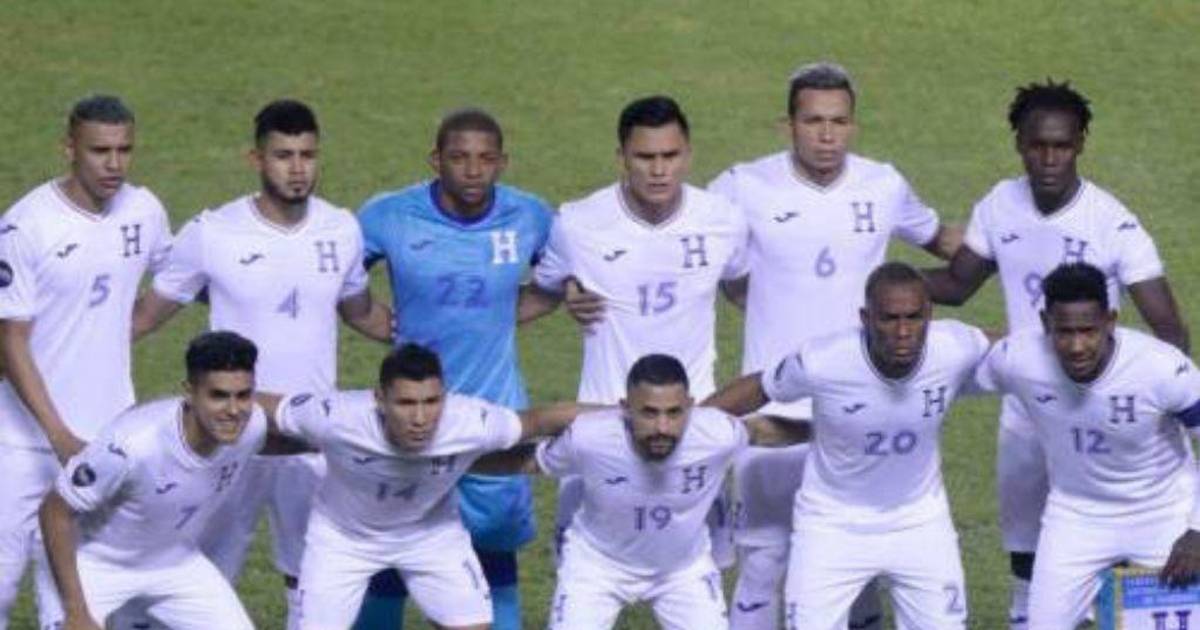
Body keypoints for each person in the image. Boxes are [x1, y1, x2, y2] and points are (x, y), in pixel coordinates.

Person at [923, 79, 1190, 628]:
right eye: (1037, 145)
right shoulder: (1000, 204)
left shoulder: (1111, 222)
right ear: (1019, 144)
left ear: (1081, 143)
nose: (1049, 159)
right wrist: (874, 279)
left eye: (1062, 145)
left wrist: (1149, 400)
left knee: (1118, 542)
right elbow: (956, 285)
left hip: (1099, 403)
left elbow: (1169, 330)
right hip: (1029, 400)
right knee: (1027, 548)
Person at [707, 61, 960, 629]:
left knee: (861, 563)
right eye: (813, 121)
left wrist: (1021, 251)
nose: (827, 135)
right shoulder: (743, 186)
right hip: (772, 406)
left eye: (839, 122)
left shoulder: (884, 184)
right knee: (765, 559)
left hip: (858, 409)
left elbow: (944, 241)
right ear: (788, 125)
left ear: (853, 125)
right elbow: (688, 239)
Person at [132, 99, 391, 629]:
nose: (297, 169)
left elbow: (362, 313)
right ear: (256, 159)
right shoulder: (212, 232)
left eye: (307, 155)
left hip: (309, 436)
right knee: (200, 571)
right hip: (231, 431)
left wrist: (447, 326)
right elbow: (144, 316)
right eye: (283, 156)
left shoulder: (341, 229)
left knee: (312, 575)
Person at [705, 262, 990, 630]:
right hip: (832, 527)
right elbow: (761, 386)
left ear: (929, 315)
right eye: (889, 319)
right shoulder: (824, 361)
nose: (903, 331)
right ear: (866, 318)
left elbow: (1019, 350)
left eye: (913, 317)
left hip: (920, 524)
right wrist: (693, 422)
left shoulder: (956, 346)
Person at [355, 108, 555, 629]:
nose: (472, 170)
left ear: (502, 162)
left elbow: (560, 279)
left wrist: (499, 316)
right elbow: (340, 280)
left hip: (495, 409)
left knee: (494, 544)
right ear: (435, 160)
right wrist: (382, 325)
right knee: (393, 541)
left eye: (485, 159)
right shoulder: (388, 216)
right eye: (459, 157)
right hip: (411, 411)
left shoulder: (530, 216)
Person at [530, 95, 749, 558]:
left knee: (698, 574)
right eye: (645, 157)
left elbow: (742, 287)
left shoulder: (723, 221)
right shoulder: (578, 223)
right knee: (584, 570)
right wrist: (569, 288)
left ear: (688, 155)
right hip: (600, 424)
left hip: (692, 425)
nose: (659, 170)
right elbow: (544, 288)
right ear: (622, 158)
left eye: (670, 155)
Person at [259, 343, 584, 630]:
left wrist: (612, 416)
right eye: (405, 403)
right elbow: (264, 407)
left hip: (430, 534)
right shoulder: (336, 415)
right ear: (379, 399)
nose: (420, 418)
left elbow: (540, 420)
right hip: (343, 539)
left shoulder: (471, 421)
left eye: (431, 402)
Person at [0, 94, 172, 630]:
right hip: (19, 444)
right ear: (69, 148)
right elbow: (9, 341)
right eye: (100, 151)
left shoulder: (144, 211)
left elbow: (175, 278)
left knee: (88, 596)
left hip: (107, 439)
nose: (114, 164)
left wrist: (124, 329)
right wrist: (56, 433)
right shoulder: (27, 226)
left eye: (124, 150)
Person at [474, 353, 805, 629]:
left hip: (682, 571)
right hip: (597, 567)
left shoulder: (715, 433)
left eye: (674, 413)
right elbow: (531, 460)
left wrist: (822, 432)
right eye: (649, 412)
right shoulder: (591, 438)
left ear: (690, 407)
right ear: (625, 408)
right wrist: (463, 464)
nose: (662, 427)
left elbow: (762, 432)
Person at [974, 263, 1200, 628]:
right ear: (1046, 323)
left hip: (1163, 515)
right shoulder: (1018, 359)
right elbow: (948, 374)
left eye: (1088, 331)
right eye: (1065, 332)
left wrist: (1197, 532)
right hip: (1076, 517)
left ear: (1110, 321)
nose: (1077, 346)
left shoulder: (1161, 368)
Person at [38, 331, 295, 630]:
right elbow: (54, 511)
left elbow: (273, 440)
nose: (233, 410)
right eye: (218, 396)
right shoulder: (132, 444)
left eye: (243, 395)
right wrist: (76, 612)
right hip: (94, 567)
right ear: (189, 392)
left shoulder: (250, 427)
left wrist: (335, 444)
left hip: (176, 563)